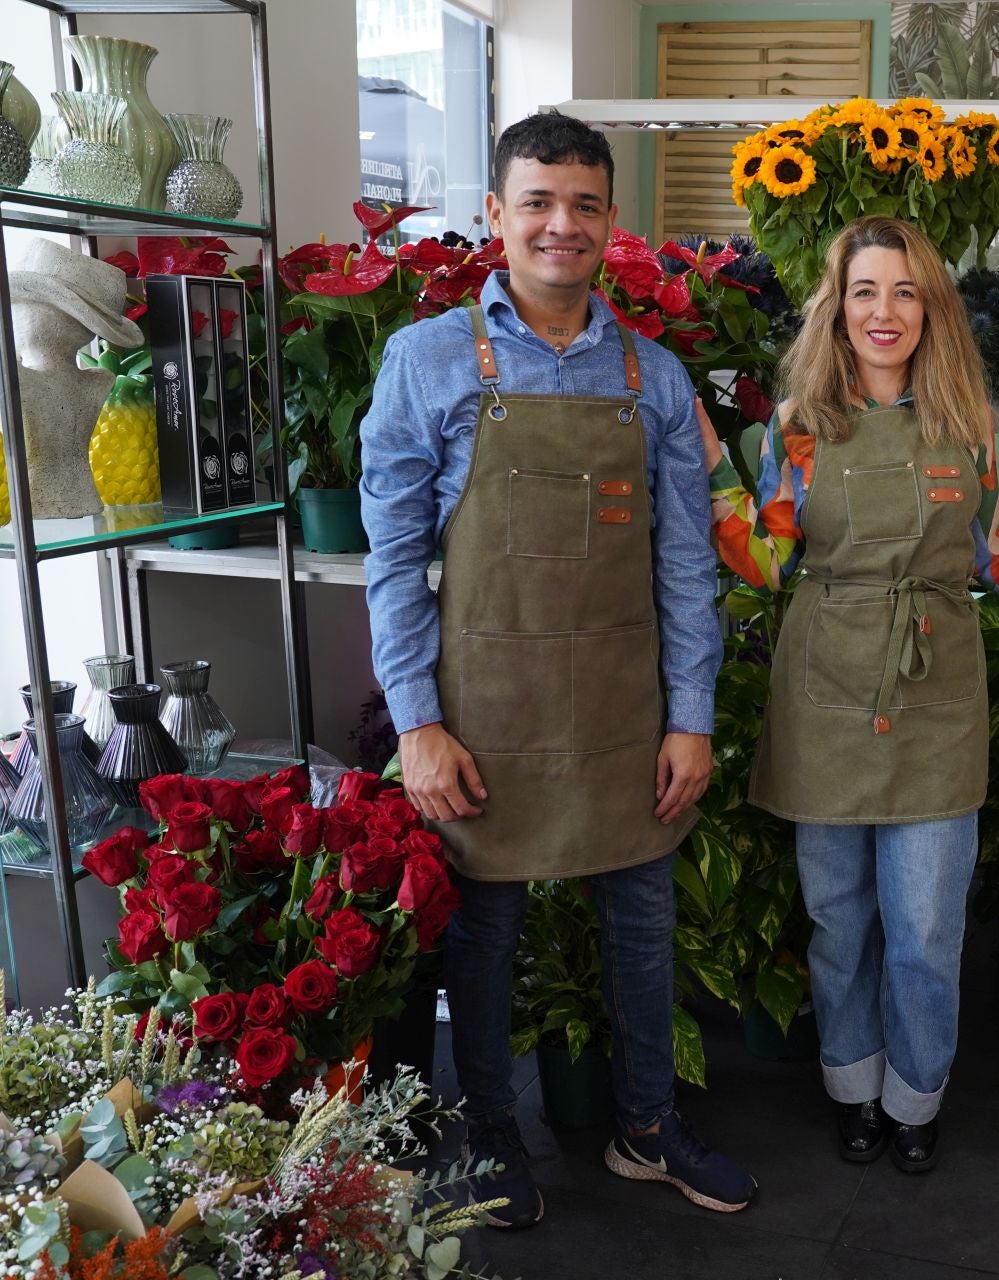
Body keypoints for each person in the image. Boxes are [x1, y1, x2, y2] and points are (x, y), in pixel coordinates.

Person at [361, 111, 755, 1227]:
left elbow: (687, 569)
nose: (559, 224)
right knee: (485, 929)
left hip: (626, 706)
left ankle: (645, 1124)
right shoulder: (426, 360)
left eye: (583, 204)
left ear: (610, 221)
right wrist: (417, 722)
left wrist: (692, 717)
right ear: (496, 213)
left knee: (641, 913)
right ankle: (489, 1129)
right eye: (536, 200)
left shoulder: (658, 378)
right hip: (481, 710)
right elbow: (391, 561)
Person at [700, 216, 999, 1174]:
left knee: (929, 928)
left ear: (930, 307)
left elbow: (992, 555)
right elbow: (769, 560)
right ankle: (853, 1087)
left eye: (904, 292)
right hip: (824, 687)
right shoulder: (799, 430)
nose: (884, 311)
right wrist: (708, 472)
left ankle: (916, 1098)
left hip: (937, 691)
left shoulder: (966, 428)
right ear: (838, 306)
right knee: (840, 918)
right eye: (865, 292)